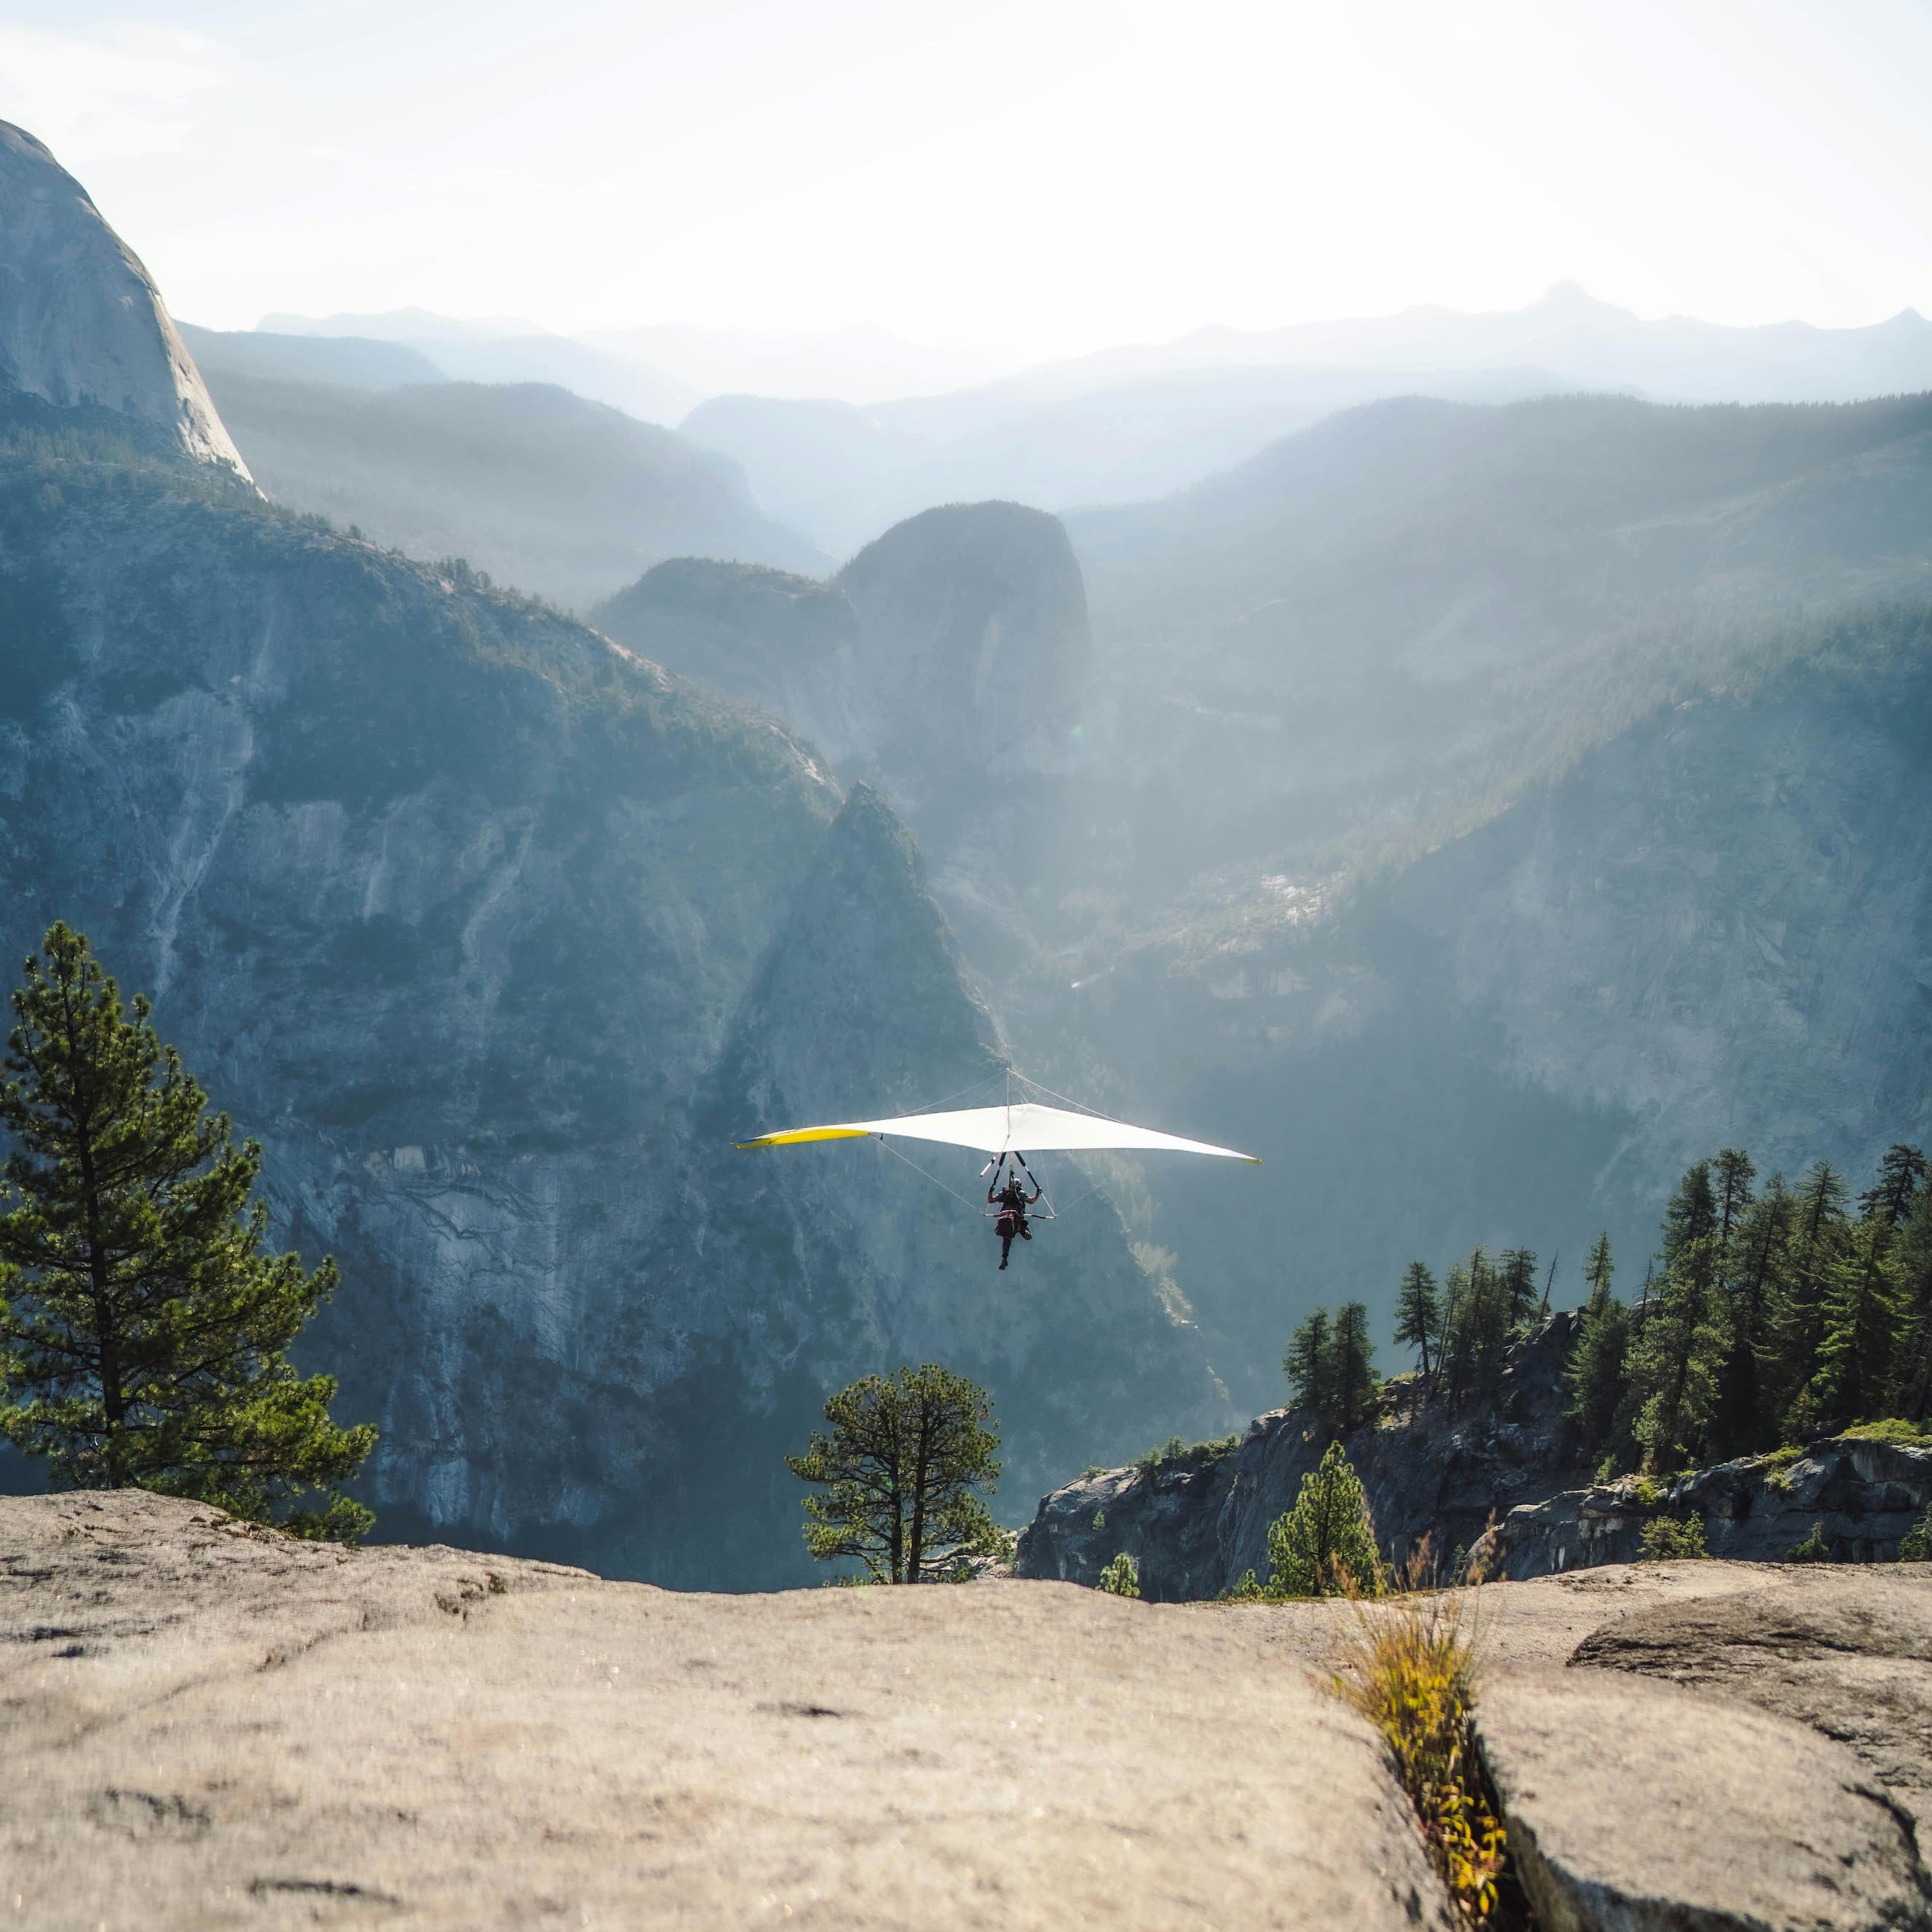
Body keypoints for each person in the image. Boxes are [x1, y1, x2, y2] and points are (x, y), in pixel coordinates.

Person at [989, 1169, 1041, 1268]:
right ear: (1019, 1185)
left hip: (1005, 1218)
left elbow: (990, 1200)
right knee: (1028, 1237)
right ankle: (1022, 1230)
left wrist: (990, 1191)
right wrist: (1038, 1193)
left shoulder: (1004, 1194)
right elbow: (1032, 1201)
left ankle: (1005, 1258)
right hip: (1018, 1219)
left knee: (1006, 1237)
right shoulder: (1020, 1193)